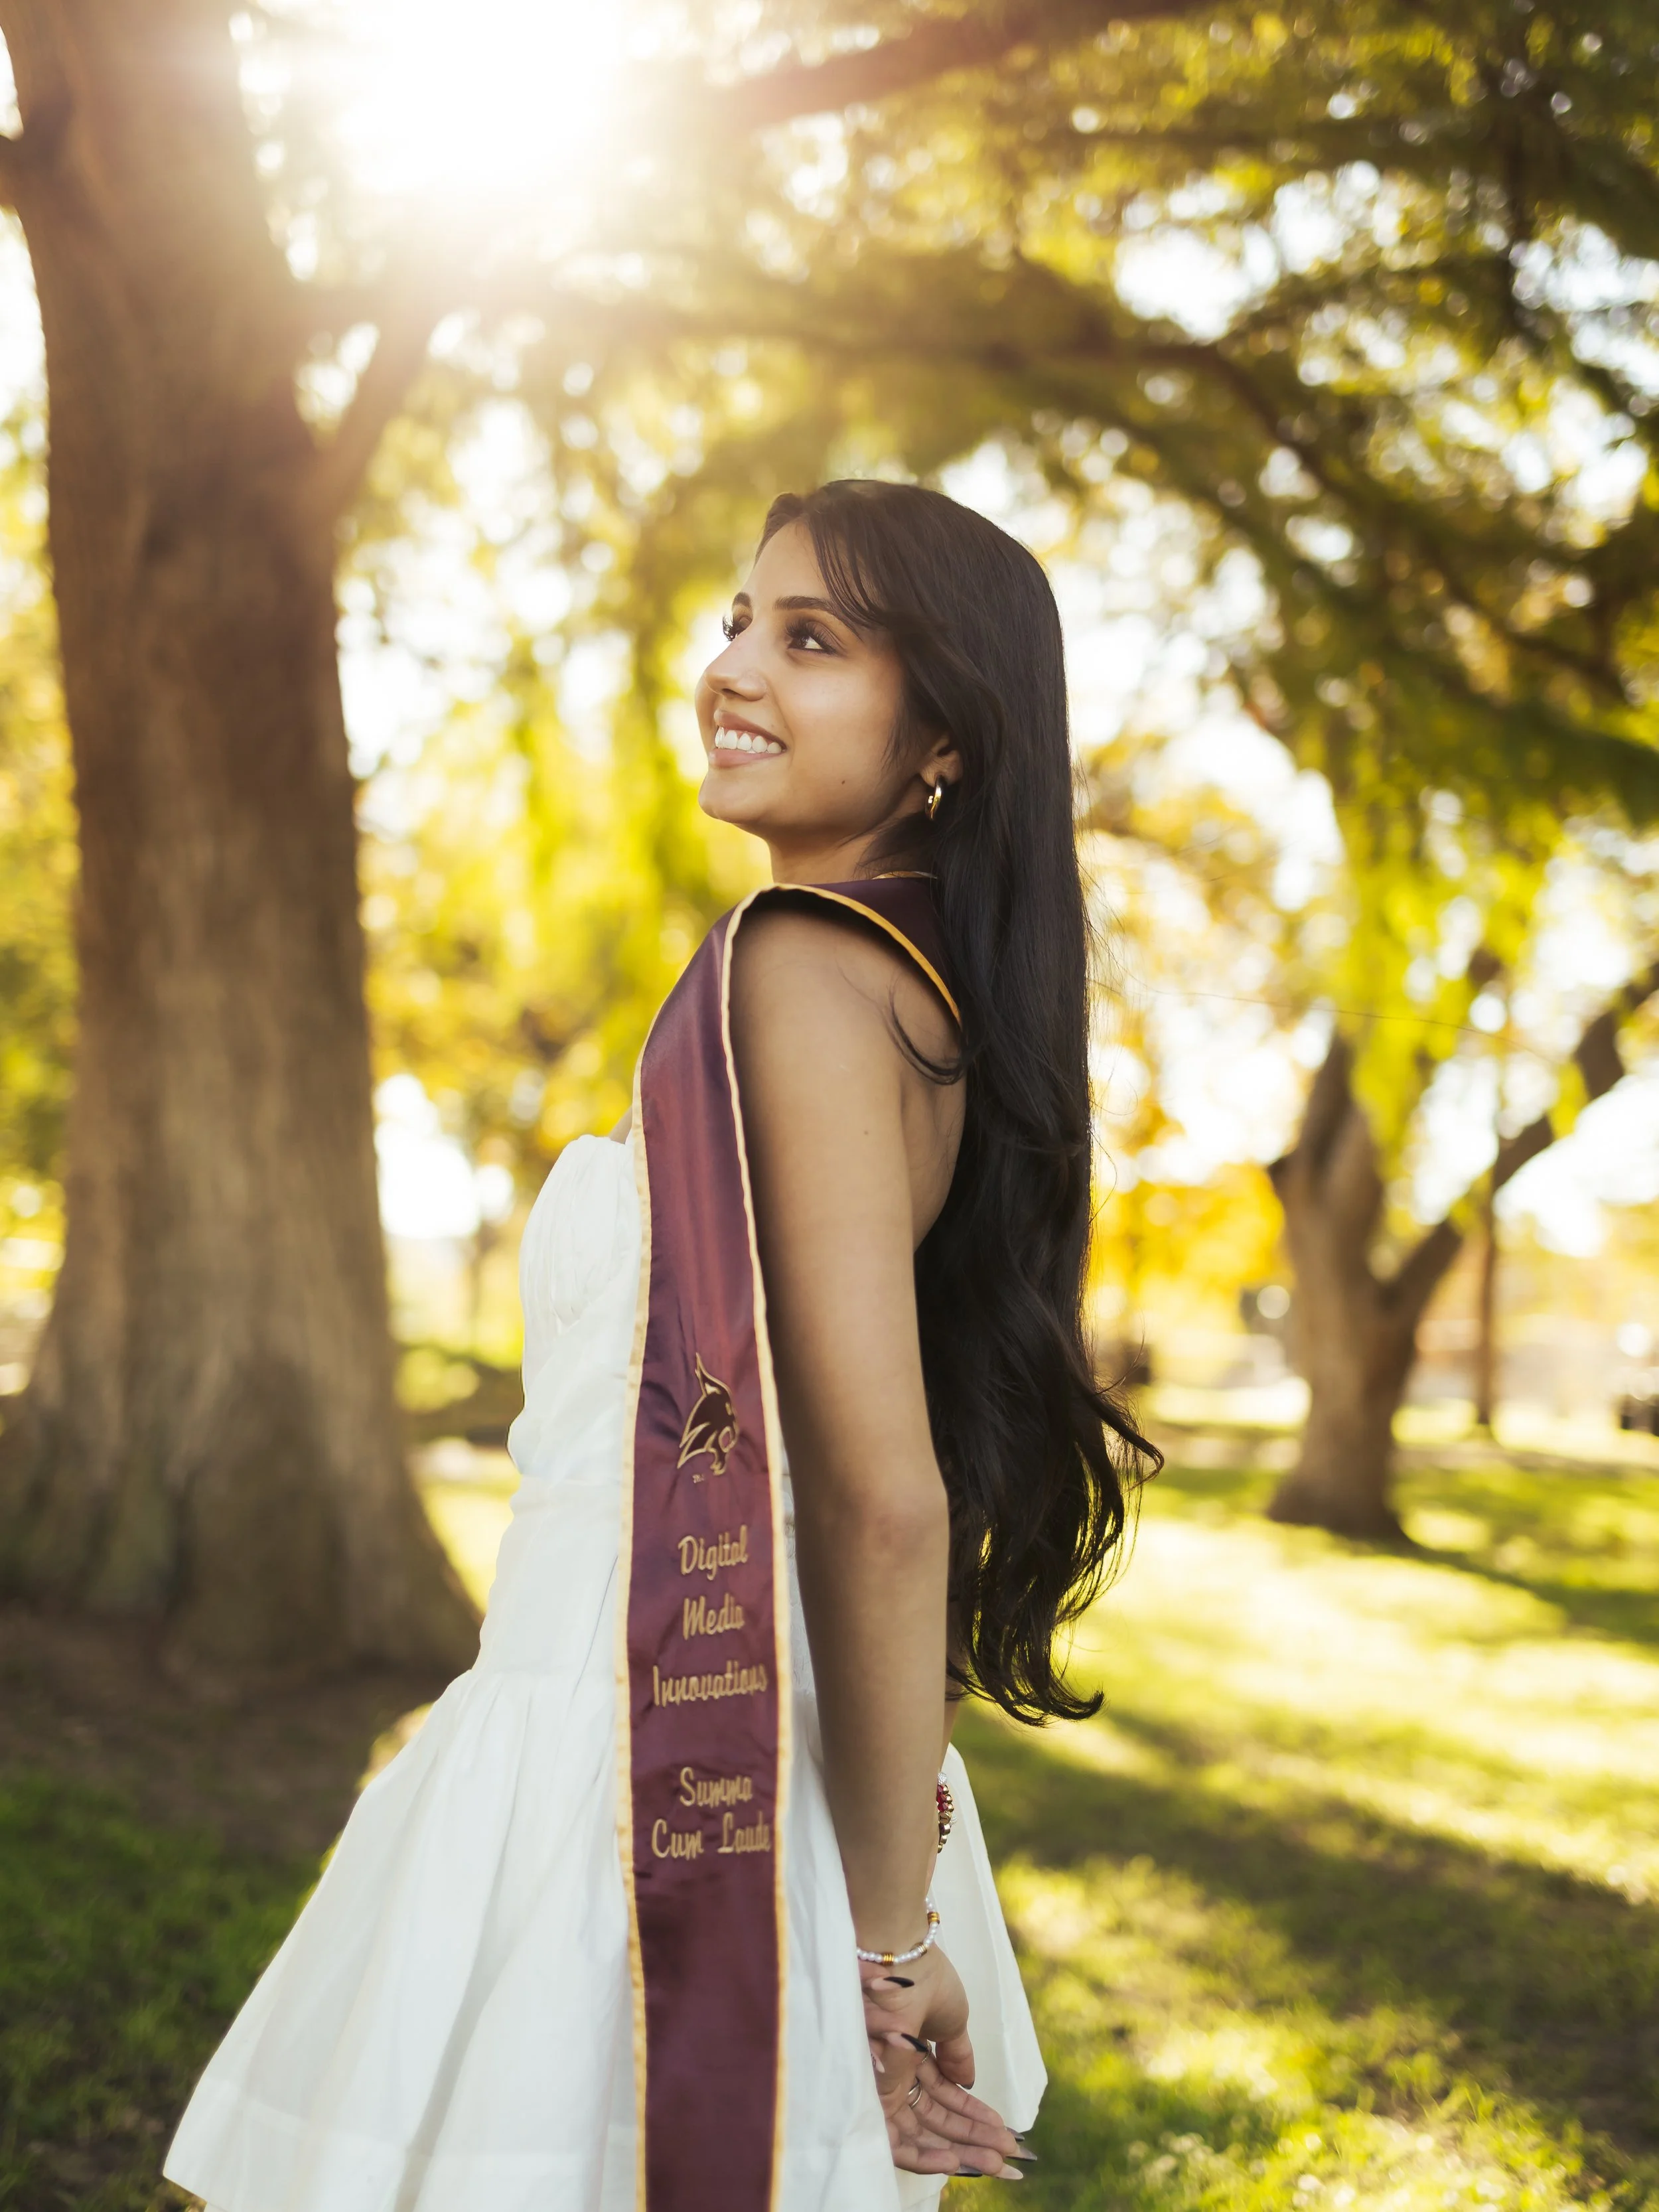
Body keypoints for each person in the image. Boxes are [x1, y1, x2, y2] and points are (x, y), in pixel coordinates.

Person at [165, 480, 1154, 2212]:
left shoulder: (797, 974)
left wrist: (856, 1951)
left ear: (944, 744)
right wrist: (894, 1874)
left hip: (655, 1778)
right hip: (715, 1743)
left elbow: (882, 1500)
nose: (732, 667)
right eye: (735, 620)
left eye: (812, 637)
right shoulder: (912, 992)